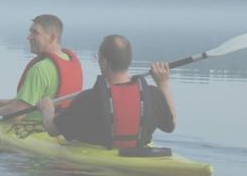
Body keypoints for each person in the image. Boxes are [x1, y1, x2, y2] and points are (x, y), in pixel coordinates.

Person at [35, 34, 176, 149]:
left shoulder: (88, 99)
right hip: (140, 154)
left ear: (104, 62)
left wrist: (47, 111)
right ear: (128, 61)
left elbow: (53, 130)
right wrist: (163, 84)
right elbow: (171, 125)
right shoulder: (153, 94)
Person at [0, 14, 84, 121]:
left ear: (52, 38)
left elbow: (17, 115)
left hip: (38, 129)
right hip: (62, 127)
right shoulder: (70, 60)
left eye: (35, 33)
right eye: (30, 32)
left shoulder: (41, 69)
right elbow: (46, 97)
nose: (29, 37)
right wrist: (11, 102)